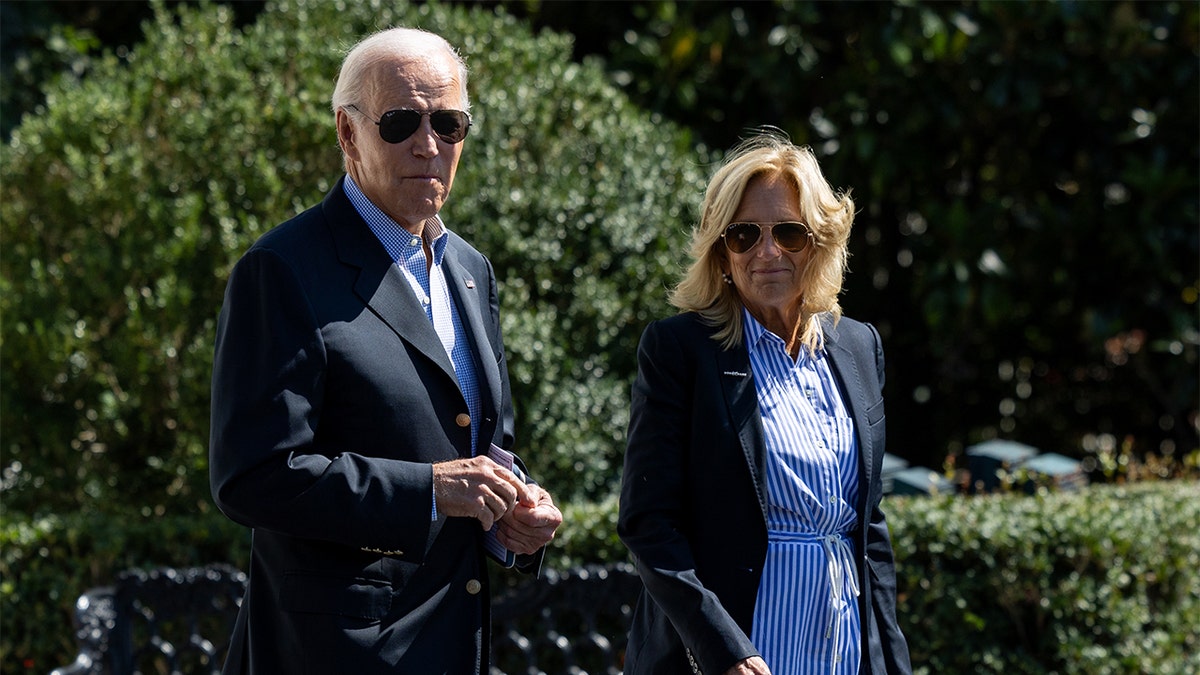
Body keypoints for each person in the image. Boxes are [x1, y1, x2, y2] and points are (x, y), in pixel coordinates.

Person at [208, 27, 562, 674]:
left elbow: (475, 445)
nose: (428, 145)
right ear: (348, 133)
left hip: (456, 642)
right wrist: (427, 490)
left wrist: (517, 508)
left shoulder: (469, 269)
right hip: (335, 653)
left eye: (449, 123)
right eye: (400, 122)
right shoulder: (283, 269)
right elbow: (251, 477)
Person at [618, 130, 912, 675]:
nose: (767, 250)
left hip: (842, 648)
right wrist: (724, 650)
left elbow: (869, 530)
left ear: (819, 242)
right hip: (736, 655)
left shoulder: (858, 346)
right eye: (744, 234)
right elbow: (648, 524)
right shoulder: (681, 350)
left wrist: (892, 661)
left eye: (790, 234)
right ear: (721, 252)